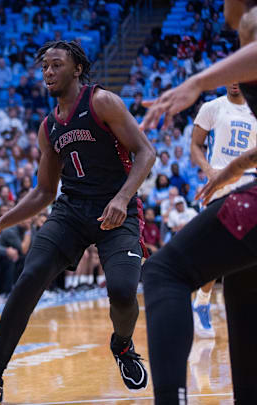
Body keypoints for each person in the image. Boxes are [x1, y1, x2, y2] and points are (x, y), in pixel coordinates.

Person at [0, 40, 156, 405]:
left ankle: (123, 345)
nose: (48, 73)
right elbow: (44, 192)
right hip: (71, 211)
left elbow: (146, 152)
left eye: (56, 66)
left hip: (116, 210)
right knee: (29, 278)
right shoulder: (48, 126)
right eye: (44, 68)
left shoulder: (102, 102)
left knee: (122, 291)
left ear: (77, 69)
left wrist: (121, 198)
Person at [140, 2, 257, 403]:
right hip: (240, 181)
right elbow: (196, 146)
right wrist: (234, 168)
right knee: (242, 283)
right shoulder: (218, 106)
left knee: (163, 273)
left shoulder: (252, 21)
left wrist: (197, 80)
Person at [187, 82, 256, 338]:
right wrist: (209, 171)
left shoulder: (254, 109)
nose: (235, 81)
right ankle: (202, 302)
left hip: (251, 182)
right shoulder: (212, 107)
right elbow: (196, 145)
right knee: (216, 251)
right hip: (220, 183)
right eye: (231, 76)